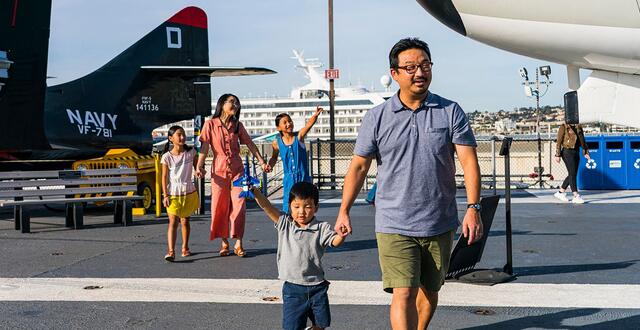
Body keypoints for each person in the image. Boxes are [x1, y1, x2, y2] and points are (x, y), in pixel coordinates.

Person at [334, 38, 483, 329]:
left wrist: (473, 207)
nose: (420, 72)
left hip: (439, 220)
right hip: (393, 221)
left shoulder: (450, 111)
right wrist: (344, 210)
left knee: (431, 290)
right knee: (403, 291)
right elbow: (359, 166)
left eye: (425, 65)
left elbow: (469, 163)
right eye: (411, 67)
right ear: (395, 74)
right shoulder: (376, 117)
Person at [251, 181, 345, 330]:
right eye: (296, 207)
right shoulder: (285, 224)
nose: (301, 212)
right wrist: (255, 191)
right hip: (293, 288)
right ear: (289, 206)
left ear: (316, 207)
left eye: (307, 206)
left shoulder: (322, 228)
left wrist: (342, 234)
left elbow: (335, 242)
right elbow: (267, 207)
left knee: (322, 324)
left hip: (317, 287)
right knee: (292, 327)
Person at [196, 94, 271, 258]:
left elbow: (250, 144)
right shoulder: (210, 124)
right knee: (219, 207)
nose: (235, 105)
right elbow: (204, 148)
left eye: (237, 103)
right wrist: (199, 166)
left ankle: (238, 242)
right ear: (222, 104)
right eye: (231, 102)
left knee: (240, 206)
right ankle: (224, 242)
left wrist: (261, 162)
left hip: (239, 171)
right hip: (219, 171)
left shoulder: (238, 125)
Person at [267, 107, 323, 213]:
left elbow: (308, 125)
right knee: (289, 203)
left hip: (303, 177)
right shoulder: (276, 143)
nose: (289, 124)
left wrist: (315, 115)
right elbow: (274, 158)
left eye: (290, 121)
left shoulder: (299, 137)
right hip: (289, 179)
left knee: (306, 202)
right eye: (285, 122)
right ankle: (289, 226)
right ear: (278, 127)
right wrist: (270, 165)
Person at [160, 125, 199, 261]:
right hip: (173, 192)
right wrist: (165, 195)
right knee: (173, 222)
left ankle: (185, 247)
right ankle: (171, 251)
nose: (182, 137)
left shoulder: (191, 152)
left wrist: (200, 170)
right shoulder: (166, 157)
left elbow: (197, 167)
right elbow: (164, 177)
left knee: (185, 221)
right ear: (171, 139)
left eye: (183, 134)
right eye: (178, 135)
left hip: (188, 191)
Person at [554, 122, 590, 204]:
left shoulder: (578, 127)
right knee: (572, 173)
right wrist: (557, 154)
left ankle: (560, 193)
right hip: (567, 152)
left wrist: (586, 152)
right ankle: (576, 195)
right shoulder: (564, 127)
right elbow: (559, 141)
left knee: (572, 173)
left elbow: (582, 140)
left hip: (576, 151)